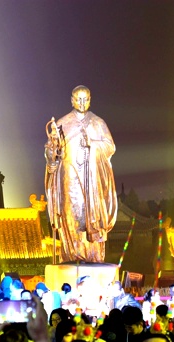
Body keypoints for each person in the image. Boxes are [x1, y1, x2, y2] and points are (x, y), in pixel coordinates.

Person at [44, 85, 118, 263]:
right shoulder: (62, 124)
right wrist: (51, 156)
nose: (82, 103)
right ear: (72, 100)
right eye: (79, 99)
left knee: (90, 216)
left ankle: (93, 255)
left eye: (86, 99)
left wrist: (92, 144)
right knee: (71, 213)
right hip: (69, 177)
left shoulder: (98, 123)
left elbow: (110, 147)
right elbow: (50, 150)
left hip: (92, 180)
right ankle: (71, 255)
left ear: (90, 100)